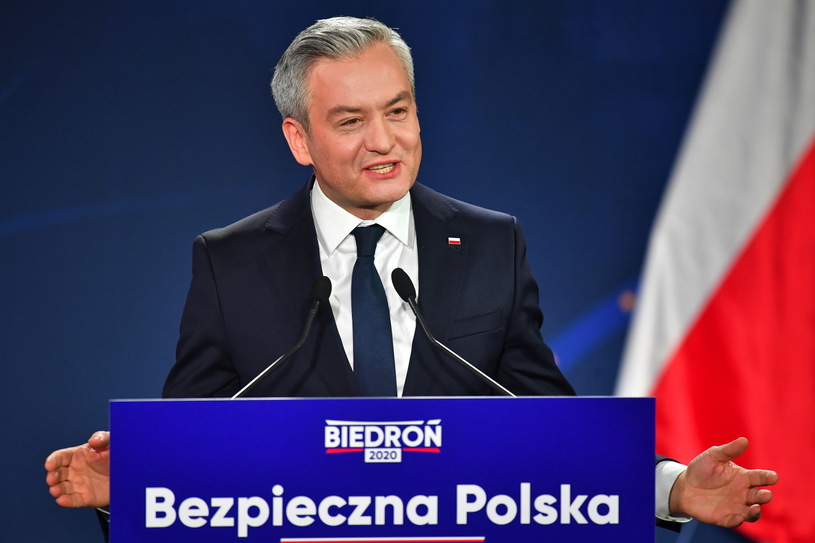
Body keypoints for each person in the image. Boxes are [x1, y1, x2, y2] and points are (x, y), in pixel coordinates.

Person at [45, 15, 778, 538]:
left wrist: (671, 487)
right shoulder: (231, 260)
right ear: (299, 138)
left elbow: (549, 429)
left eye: (398, 111)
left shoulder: (489, 243)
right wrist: (126, 487)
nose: (384, 141)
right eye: (350, 121)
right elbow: (193, 444)